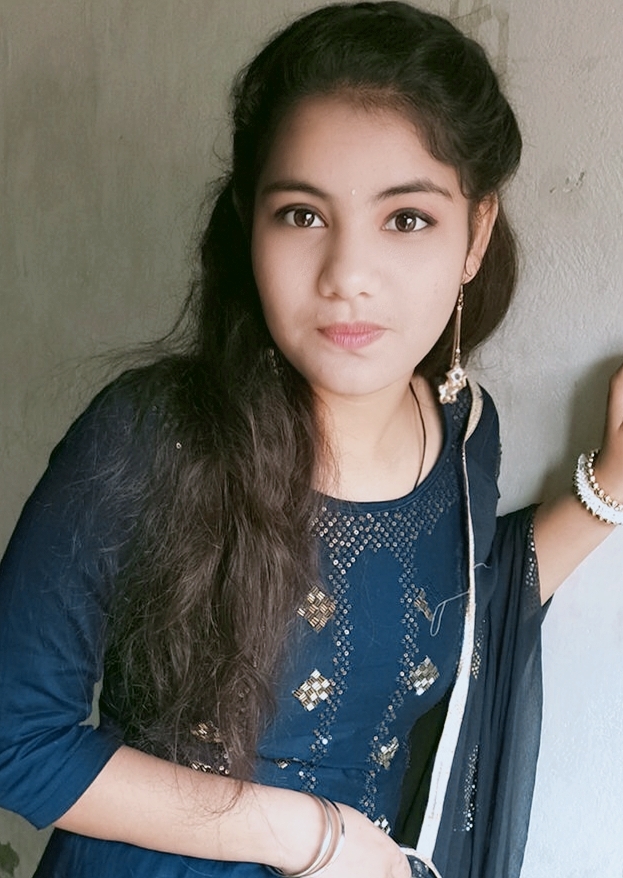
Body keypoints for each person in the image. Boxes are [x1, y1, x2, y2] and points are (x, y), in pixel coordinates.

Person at [0, 3, 622, 877]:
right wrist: (309, 836)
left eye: (406, 219)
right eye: (301, 215)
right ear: (247, 221)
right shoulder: (151, 436)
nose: (347, 276)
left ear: (475, 235)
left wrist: (608, 488)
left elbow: (464, 604)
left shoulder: (462, 430)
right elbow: (16, 737)